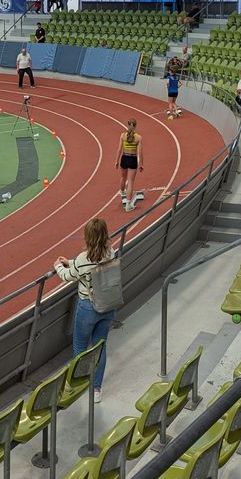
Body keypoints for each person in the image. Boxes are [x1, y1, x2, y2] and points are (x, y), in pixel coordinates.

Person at [54, 218, 115, 403]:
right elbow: (89, 264)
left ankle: (77, 383)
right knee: (100, 346)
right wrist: (71, 261)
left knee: (80, 346)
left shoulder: (83, 259)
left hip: (88, 307)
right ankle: (96, 389)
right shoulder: (111, 252)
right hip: (107, 305)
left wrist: (58, 265)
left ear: (87, 237)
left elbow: (68, 275)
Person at [115, 118, 143, 213]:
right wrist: (141, 164)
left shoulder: (122, 135)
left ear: (128, 125)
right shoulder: (138, 138)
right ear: (135, 126)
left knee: (123, 177)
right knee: (130, 181)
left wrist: (116, 161)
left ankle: (122, 193)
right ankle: (128, 205)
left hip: (124, 158)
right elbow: (140, 153)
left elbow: (119, 150)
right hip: (132, 159)